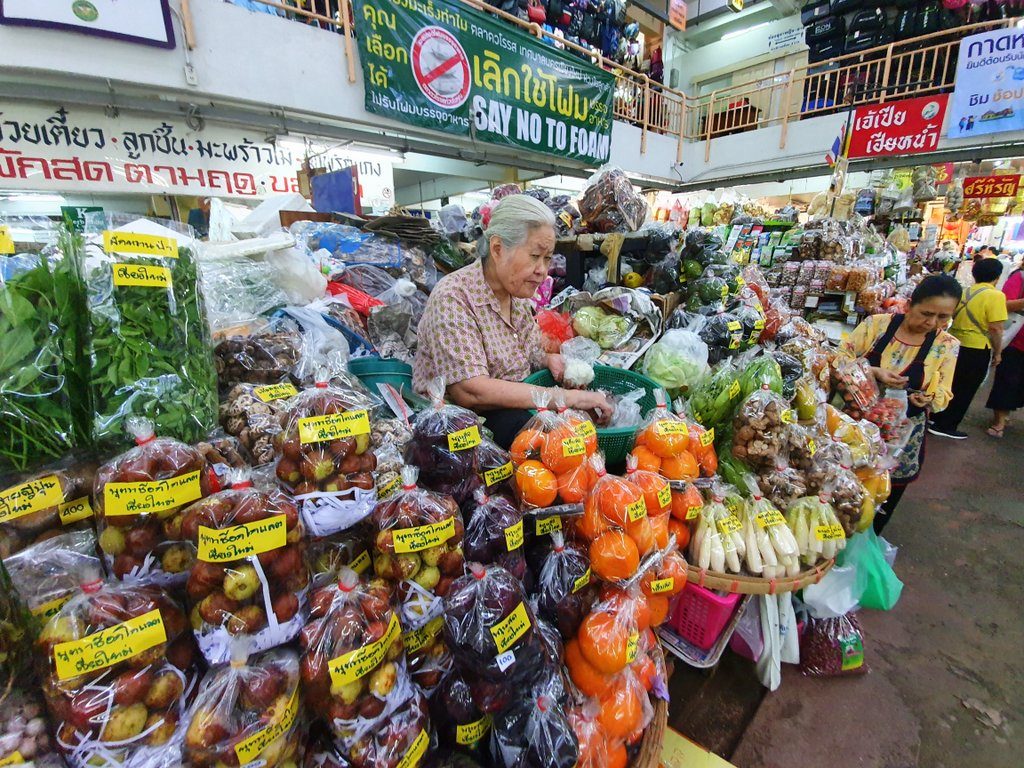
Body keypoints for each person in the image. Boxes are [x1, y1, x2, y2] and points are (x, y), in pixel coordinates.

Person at [413, 195, 612, 448]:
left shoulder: (517, 295)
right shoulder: (454, 297)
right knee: (553, 444)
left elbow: (529, 352)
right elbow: (472, 391)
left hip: (513, 410)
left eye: (547, 258)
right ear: (497, 249)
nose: (542, 270)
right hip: (462, 430)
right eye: (534, 256)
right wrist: (568, 398)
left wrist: (548, 360)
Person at [836, 274, 962, 534]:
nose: (932, 323)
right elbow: (838, 358)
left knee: (882, 496)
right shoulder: (877, 326)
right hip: (853, 425)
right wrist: (872, 371)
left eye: (943, 317)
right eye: (926, 313)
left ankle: (869, 542)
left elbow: (944, 396)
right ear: (908, 305)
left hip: (900, 436)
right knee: (841, 486)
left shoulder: (947, 346)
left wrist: (928, 398)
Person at [929, 258, 1007, 439]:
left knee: (948, 382)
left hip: (954, 343)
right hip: (976, 348)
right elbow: (996, 328)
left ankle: (936, 416)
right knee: (966, 388)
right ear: (997, 276)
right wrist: (998, 352)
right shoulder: (996, 296)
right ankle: (946, 425)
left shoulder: (964, 292)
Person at [986, 264, 1024, 437]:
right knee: (1008, 381)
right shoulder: (1019, 278)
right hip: (1016, 340)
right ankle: (1000, 420)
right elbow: (1003, 304)